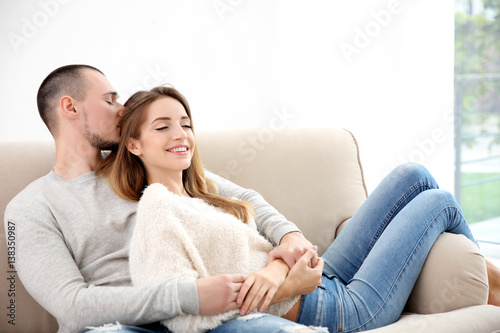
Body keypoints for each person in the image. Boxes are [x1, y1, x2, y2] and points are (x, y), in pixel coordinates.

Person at [99, 85, 500, 333]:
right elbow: (182, 318)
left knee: (412, 174)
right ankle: (495, 289)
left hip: (319, 274)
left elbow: (257, 207)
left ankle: (491, 286)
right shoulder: (156, 211)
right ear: (134, 145)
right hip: (333, 309)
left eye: (185, 123)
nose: (181, 134)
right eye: (163, 126)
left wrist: (286, 258)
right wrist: (288, 286)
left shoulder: (199, 190)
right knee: (438, 202)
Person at [3, 65, 319, 333]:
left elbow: (242, 197)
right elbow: (71, 306)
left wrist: (289, 236)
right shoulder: (29, 208)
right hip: (126, 325)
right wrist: (188, 296)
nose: (123, 109)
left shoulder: (137, 162)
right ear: (70, 107)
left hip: (199, 316)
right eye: (110, 100)